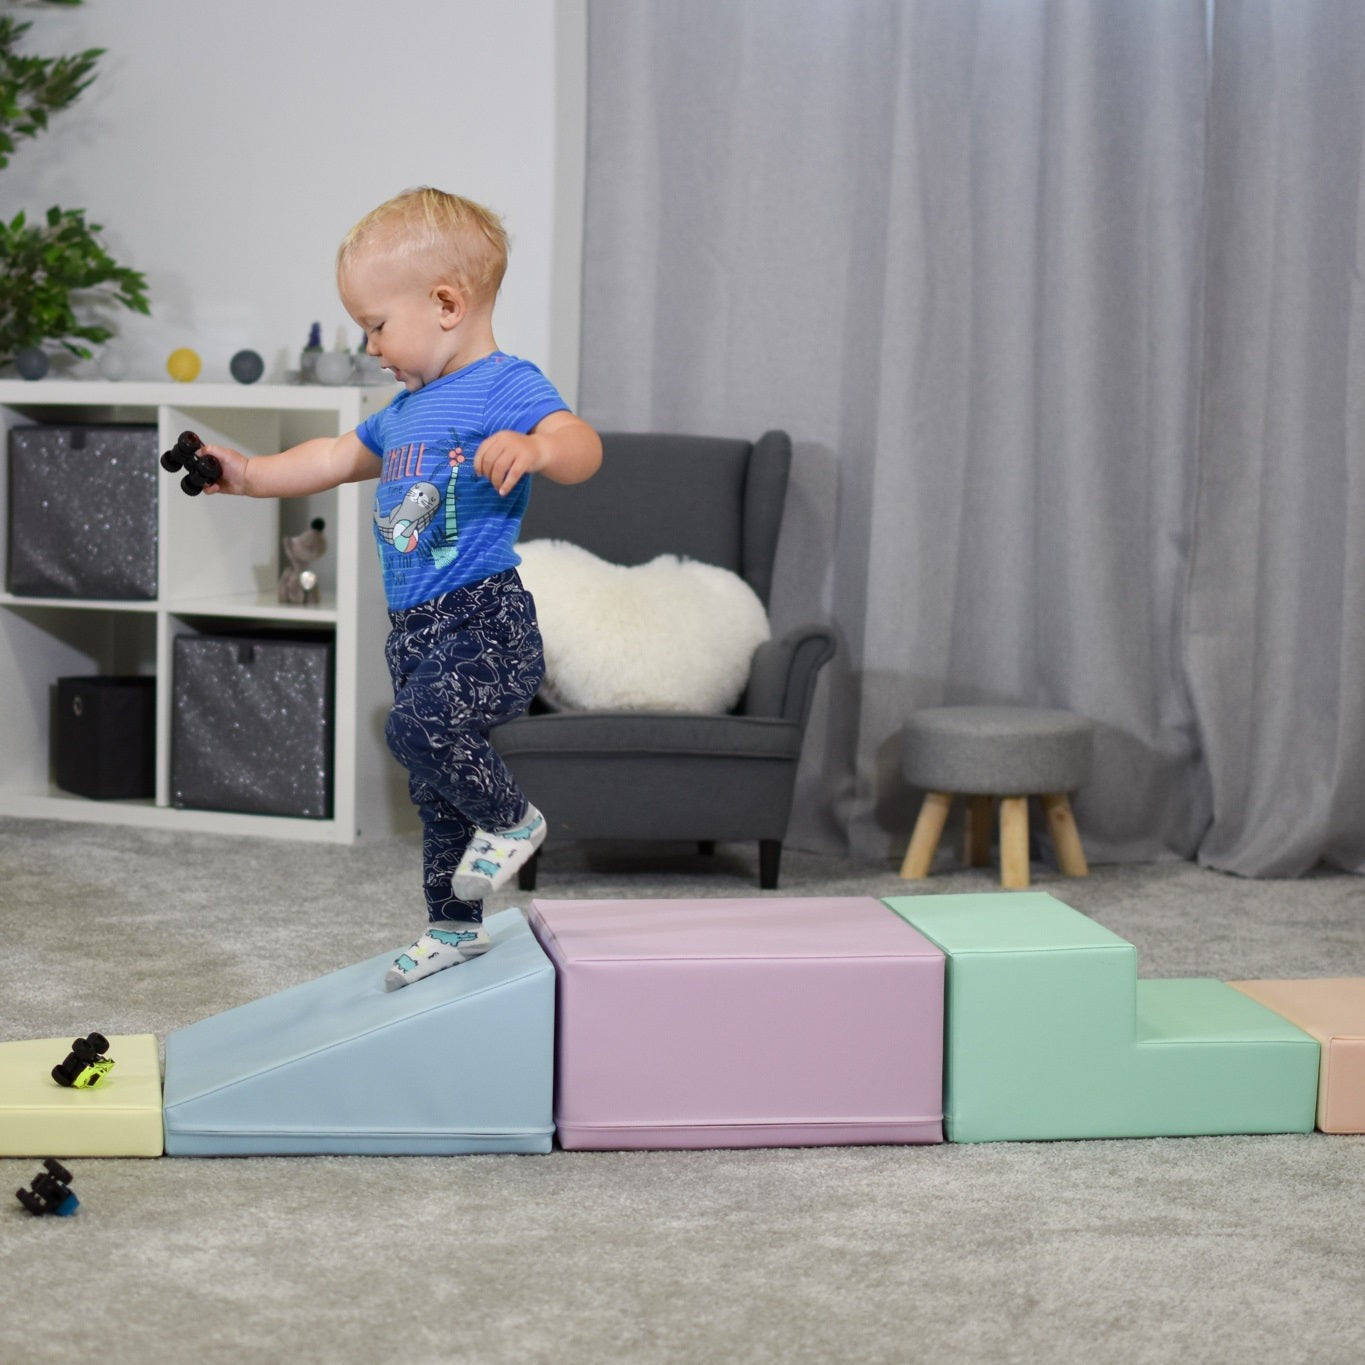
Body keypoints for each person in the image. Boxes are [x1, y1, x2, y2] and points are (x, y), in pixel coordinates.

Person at [202, 187, 602, 990]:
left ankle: (513, 819)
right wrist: (246, 473)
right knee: (433, 788)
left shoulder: (502, 384)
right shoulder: (404, 411)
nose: (371, 346)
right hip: (414, 629)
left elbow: (581, 445)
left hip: (483, 618)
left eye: (377, 325)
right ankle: (453, 926)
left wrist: (535, 448)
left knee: (417, 729)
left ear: (446, 304)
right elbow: (329, 457)